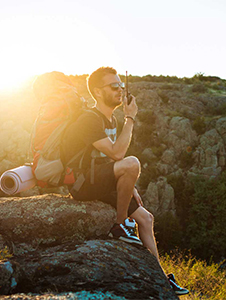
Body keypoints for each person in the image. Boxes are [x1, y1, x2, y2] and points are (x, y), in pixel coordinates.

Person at [62, 67, 189, 296]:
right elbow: (117, 155)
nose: (120, 90)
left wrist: (129, 186)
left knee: (146, 218)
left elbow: (108, 162)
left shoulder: (109, 118)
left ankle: (160, 278)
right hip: (83, 183)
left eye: (121, 85)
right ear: (98, 92)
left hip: (98, 178)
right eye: (114, 86)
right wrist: (130, 118)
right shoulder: (89, 119)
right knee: (132, 163)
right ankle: (119, 225)